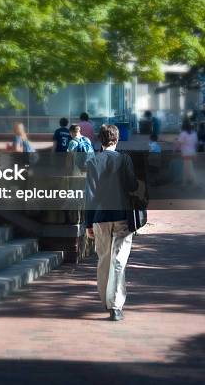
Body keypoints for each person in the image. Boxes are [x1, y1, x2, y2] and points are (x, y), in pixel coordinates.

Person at [85, 124, 138, 321]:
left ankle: (107, 302)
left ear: (100, 140)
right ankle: (116, 306)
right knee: (119, 261)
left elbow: (89, 197)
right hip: (122, 216)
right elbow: (132, 185)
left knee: (104, 260)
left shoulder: (92, 162)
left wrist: (88, 224)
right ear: (116, 140)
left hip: (100, 217)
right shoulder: (125, 160)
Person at [175, 120, 198, 188]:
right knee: (186, 168)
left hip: (186, 153)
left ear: (183, 127)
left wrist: (175, 149)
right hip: (192, 153)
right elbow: (196, 144)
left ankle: (195, 184)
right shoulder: (194, 133)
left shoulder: (183, 133)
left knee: (189, 168)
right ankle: (184, 183)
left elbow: (179, 143)